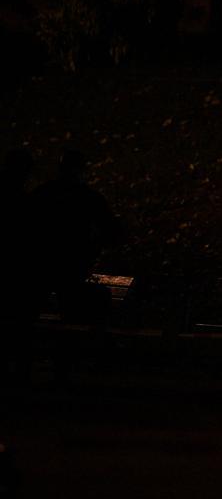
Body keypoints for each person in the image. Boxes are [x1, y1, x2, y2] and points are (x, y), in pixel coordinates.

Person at [30, 150, 121, 323]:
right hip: (74, 268)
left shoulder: (43, 193)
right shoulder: (90, 198)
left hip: (42, 267)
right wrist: (93, 247)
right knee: (74, 312)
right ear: (83, 170)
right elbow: (113, 233)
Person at [0, 149, 36, 380]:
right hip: (19, 274)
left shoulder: (20, 200)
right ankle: (20, 370)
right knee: (21, 320)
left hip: (12, 272)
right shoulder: (24, 202)